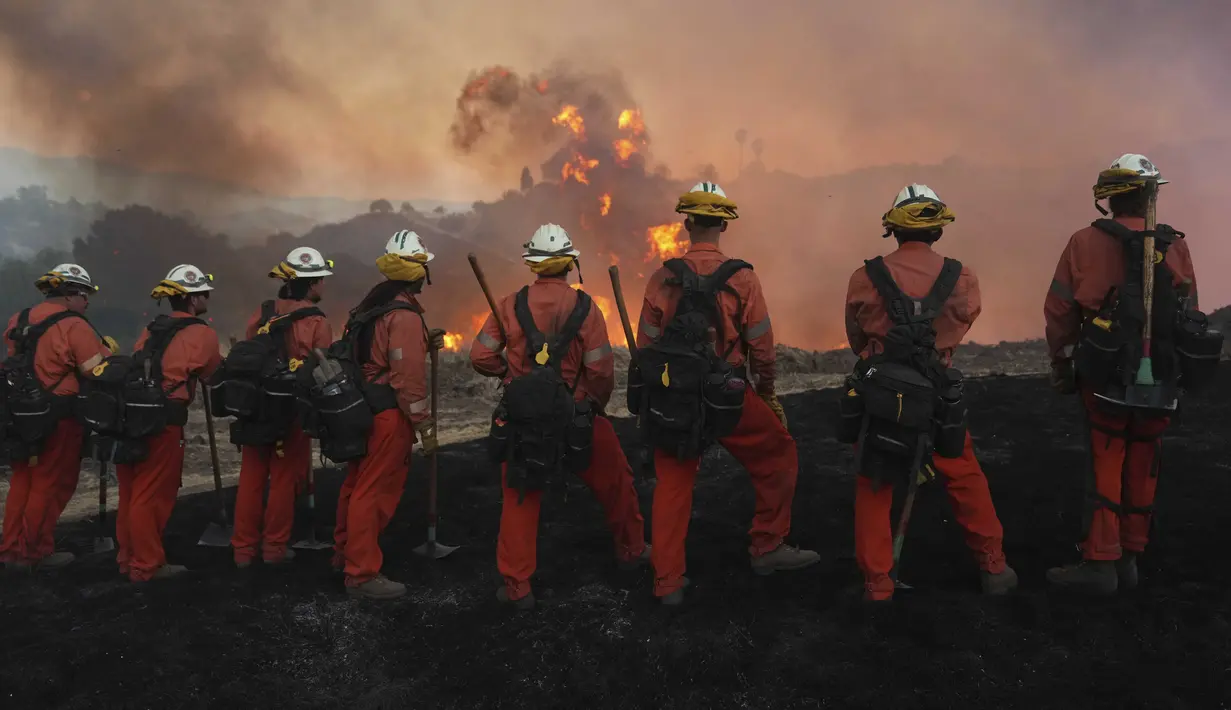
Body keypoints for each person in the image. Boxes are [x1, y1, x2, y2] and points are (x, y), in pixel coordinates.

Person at [635, 181, 819, 606]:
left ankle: (667, 581)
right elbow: (762, 347)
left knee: (673, 482)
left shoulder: (662, 277)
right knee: (778, 454)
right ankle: (767, 546)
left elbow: (646, 345)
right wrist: (767, 394)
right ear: (723, 226)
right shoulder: (743, 278)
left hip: (676, 398)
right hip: (729, 395)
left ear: (686, 224)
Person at [844, 184, 1017, 602]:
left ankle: (877, 584)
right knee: (963, 473)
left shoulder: (864, 277)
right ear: (938, 230)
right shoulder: (963, 278)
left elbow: (855, 337)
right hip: (936, 394)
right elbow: (964, 321)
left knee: (875, 479)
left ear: (893, 229)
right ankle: (993, 567)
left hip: (881, 395)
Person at [469, 223, 650, 610]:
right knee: (617, 482)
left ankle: (517, 588)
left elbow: (479, 356)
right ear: (570, 264)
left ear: (532, 264)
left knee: (520, 495)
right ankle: (632, 551)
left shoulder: (508, 305)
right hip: (576, 414)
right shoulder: (585, 307)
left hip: (524, 423)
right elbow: (600, 370)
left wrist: (509, 377)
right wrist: (592, 404)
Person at [1043, 154, 1198, 595]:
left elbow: (1060, 309)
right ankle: (1130, 556)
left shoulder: (1083, 242)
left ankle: (1100, 562)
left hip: (1103, 372)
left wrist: (1062, 362)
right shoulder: (1174, 245)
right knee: (1144, 460)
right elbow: (1190, 313)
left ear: (1109, 198)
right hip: (1161, 374)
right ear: (1151, 197)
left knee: (1106, 459)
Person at [333, 230, 442, 600]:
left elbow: (376, 351)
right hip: (388, 415)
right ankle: (362, 574)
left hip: (361, 409)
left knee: (355, 486)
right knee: (374, 493)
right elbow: (406, 378)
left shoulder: (373, 305)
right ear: (415, 271)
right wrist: (423, 423)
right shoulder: (403, 315)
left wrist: (422, 341)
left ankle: (344, 554)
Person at [1, 264, 115, 571]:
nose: (87, 301)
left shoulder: (19, 319)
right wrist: (108, 352)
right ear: (70, 294)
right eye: (84, 295)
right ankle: (35, 552)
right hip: (59, 417)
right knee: (50, 484)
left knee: (23, 481)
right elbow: (93, 370)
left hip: (20, 414)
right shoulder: (74, 324)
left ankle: (10, 549)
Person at [115, 264, 222, 582]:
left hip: (131, 414)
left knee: (131, 491)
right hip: (164, 420)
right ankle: (147, 565)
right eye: (204, 293)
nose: (207, 298)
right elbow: (213, 375)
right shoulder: (202, 333)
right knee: (152, 493)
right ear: (192, 299)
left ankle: (128, 558)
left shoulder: (152, 329)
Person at [231, 247, 334, 568]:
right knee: (284, 478)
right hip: (291, 408)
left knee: (251, 477)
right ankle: (274, 548)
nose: (323, 285)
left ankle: (243, 550)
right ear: (311, 283)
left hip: (254, 406)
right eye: (321, 279)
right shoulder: (317, 321)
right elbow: (323, 369)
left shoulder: (262, 312)